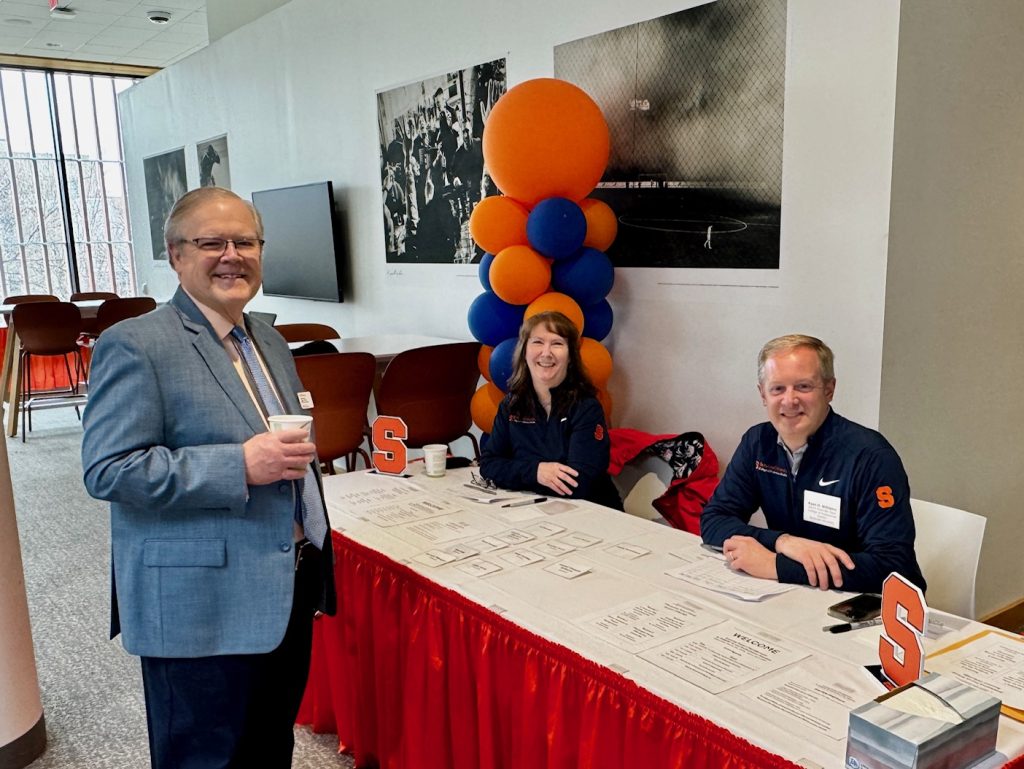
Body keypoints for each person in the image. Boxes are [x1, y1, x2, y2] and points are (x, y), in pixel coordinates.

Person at [81, 187, 335, 769]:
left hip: (283, 590)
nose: (232, 255)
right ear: (175, 255)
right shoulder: (136, 344)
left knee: (269, 749)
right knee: (204, 758)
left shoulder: (268, 337)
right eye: (211, 242)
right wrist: (239, 465)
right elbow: (107, 468)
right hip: (197, 606)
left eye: (245, 242)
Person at [700, 334, 925, 593]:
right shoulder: (757, 442)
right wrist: (783, 542)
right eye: (777, 389)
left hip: (862, 603)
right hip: (794, 595)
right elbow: (714, 520)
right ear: (763, 394)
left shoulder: (871, 457)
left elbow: (894, 567)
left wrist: (776, 565)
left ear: (829, 389)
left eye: (804, 387)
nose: (789, 400)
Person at [480, 311, 622, 509]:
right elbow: (489, 465)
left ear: (571, 356)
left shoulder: (586, 407)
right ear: (524, 351)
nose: (546, 353)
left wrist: (512, 473)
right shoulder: (511, 404)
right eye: (537, 342)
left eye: (557, 343)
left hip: (590, 513)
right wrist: (537, 471)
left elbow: (577, 484)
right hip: (532, 509)